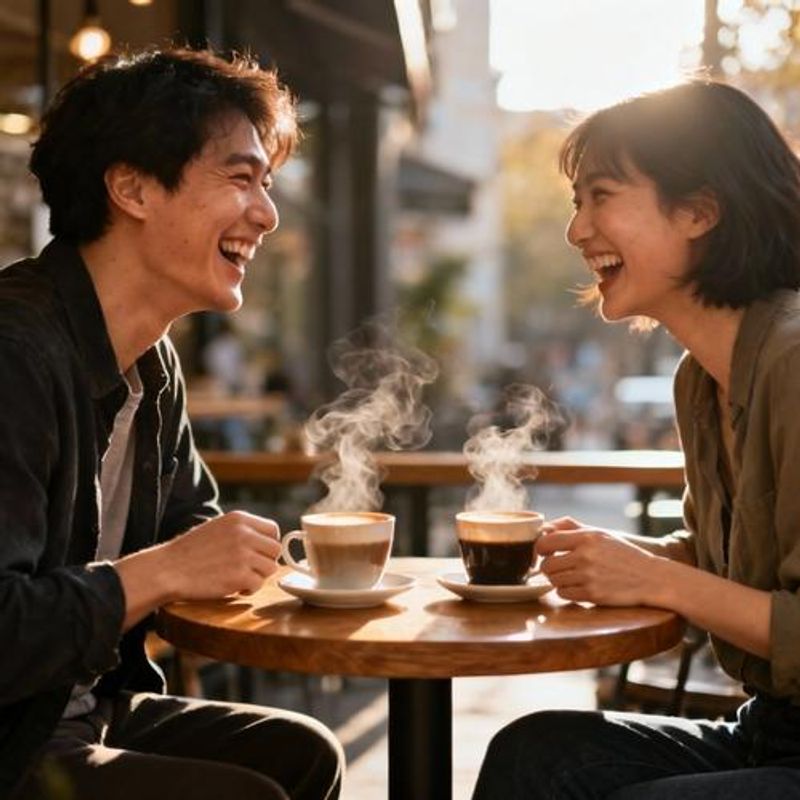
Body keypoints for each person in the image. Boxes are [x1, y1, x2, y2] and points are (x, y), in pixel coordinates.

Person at [1, 48, 343, 800]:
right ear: (131, 188)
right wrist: (164, 572)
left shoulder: (151, 365)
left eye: (268, 182)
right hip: (12, 740)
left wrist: (284, 566)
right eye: (240, 177)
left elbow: (195, 531)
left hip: (76, 712)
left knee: (301, 753)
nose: (267, 211)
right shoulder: (15, 353)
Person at [472, 80, 800, 799]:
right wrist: (608, 560)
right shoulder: (700, 378)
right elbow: (720, 568)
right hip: (771, 728)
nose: (576, 231)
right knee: (536, 754)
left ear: (700, 211)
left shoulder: (794, 359)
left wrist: (654, 577)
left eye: (602, 196)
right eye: (575, 202)